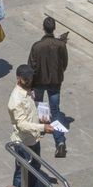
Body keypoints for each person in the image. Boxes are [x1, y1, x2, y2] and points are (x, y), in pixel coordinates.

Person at [8, 64, 55, 187]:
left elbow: (30, 114)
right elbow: (22, 125)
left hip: (33, 139)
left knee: (35, 166)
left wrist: (41, 118)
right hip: (22, 142)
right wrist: (42, 127)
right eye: (26, 79)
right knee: (20, 173)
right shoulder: (16, 99)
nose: (29, 80)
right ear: (18, 79)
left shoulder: (28, 91)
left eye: (30, 78)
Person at [27, 18, 69, 157]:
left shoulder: (37, 46)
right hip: (55, 82)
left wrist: (30, 85)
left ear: (43, 28)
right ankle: (60, 142)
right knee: (55, 111)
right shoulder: (61, 45)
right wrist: (58, 73)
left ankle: (39, 130)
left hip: (39, 81)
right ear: (54, 28)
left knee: (38, 107)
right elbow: (64, 63)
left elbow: (31, 66)